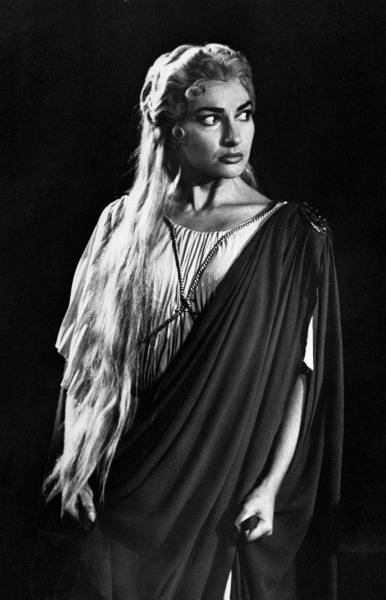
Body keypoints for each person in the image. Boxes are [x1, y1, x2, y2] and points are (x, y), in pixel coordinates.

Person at [39, 43, 343, 600]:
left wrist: (270, 487)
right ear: (171, 129)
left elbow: (300, 377)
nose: (234, 135)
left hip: (221, 486)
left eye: (244, 114)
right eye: (210, 118)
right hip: (120, 482)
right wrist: (73, 463)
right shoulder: (120, 225)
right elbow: (87, 359)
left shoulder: (291, 235)